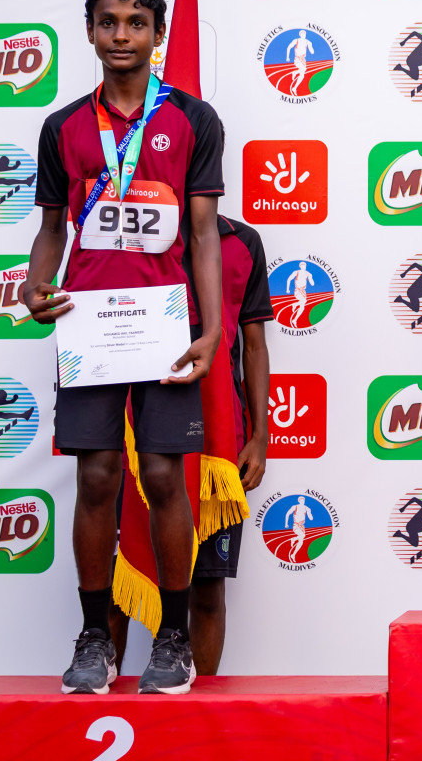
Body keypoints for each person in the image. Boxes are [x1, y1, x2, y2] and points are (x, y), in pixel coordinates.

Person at [23, 0, 224, 695]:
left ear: (158, 35)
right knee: (98, 475)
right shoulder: (65, 127)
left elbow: (203, 235)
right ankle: (93, 636)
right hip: (89, 324)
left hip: (166, 325)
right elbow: (52, 230)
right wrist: (33, 284)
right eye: (107, 22)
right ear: (89, 31)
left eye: (136, 24)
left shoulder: (195, 121)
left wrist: (211, 331)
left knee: (166, 475)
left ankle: (172, 636)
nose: (120, 36)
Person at [109, 214, 272, 676]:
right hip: (133, 435)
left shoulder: (243, 242)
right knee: (116, 589)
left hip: (217, 441)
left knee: (207, 588)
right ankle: (98, 704)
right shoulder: (126, 229)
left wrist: (260, 436)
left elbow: (254, 343)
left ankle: (200, 719)